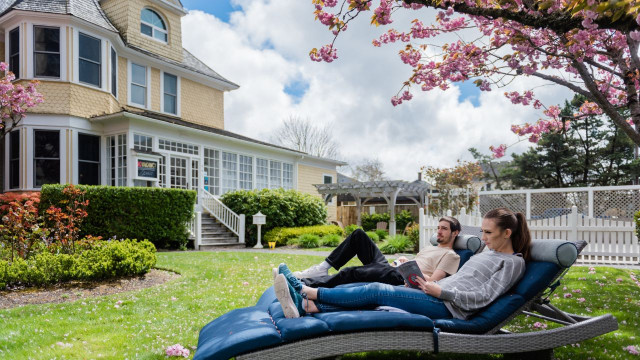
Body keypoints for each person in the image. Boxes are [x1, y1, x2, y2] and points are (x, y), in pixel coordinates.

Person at [274, 207, 530, 320]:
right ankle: (307, 306)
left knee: (376, 289)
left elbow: (485, 295)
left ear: (507, 233)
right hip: (434, 293)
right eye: (482, 232)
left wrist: (441, 290)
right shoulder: (485, 253)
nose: (482, 238)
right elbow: (463, 280)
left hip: (449, 307)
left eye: (488, 233)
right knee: (375, 298)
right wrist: (429, 286)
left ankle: (305, 290)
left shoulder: (512, 263)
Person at [276, 217, 461, 289]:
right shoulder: (430, 248)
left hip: (401, 278)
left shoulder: (452, 255)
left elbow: (435, 281)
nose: (438, 231)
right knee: (358, 235)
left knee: (351, 273)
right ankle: (322, 268)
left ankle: (301, 284)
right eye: (438, 228)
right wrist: (404, 261)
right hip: (393, 268)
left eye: (444, 229)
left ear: (455, 233)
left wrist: (407, 268)